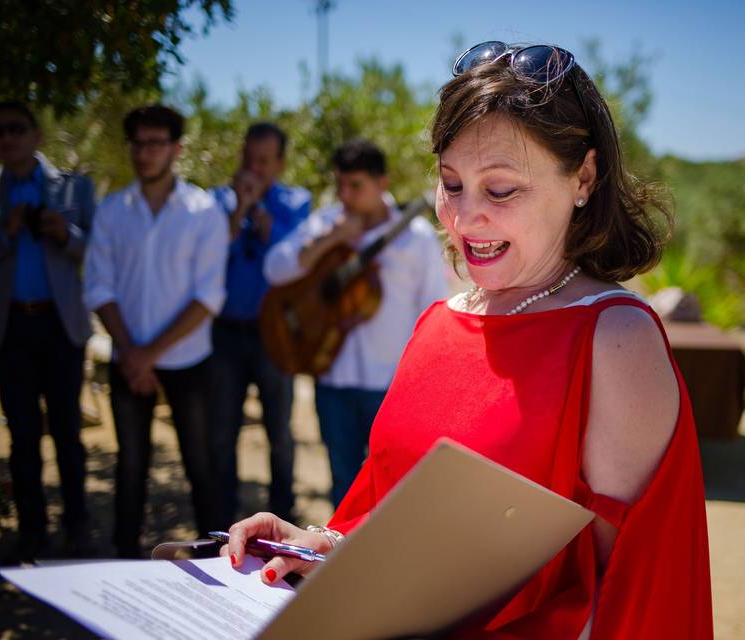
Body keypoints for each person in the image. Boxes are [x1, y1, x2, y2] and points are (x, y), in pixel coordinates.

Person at [227, 42, 713, 638]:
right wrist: (322, 543)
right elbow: (392, 515)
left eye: (501, 190)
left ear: (583, 177)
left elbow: (631, 595)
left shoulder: (613, 340)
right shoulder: (437, 320)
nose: (464, 218)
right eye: (451, 183)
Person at [263, 139, 448, 506]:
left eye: (356, 186)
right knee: (343, 488)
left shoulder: (417, 239)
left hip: (390, 387)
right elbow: (275, 269)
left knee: (395, 492)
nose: (345, 195)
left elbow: (432, 313)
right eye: (340, 185)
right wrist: (331, 239)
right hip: (333, 379)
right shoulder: (325, 222)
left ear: (382, 183)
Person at [83, 104, 228, 558]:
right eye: (139, 143)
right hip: (127, 359)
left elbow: (208, 297)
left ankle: (217, 560)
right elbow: (99, 285)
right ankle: (126, 558)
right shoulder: (112, 210)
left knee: (200, 465)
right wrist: (133, 353)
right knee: (130, 466)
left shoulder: (203, 210)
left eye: (156, 143)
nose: (146, 153)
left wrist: (148, 354)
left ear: (176, 148)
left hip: (187, 361)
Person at [0, 102, 94, 561]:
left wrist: (64, 234)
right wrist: (5, 231)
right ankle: (32, 531)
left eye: (16, 128)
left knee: (68, 433)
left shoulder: (73, 187)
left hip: (59, 326)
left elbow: (94, 249)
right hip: (9, 328)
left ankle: (78, 529)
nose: (7, 137)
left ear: (36, 135)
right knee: (23, 435)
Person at [209, 123, 310, 528]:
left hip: (275, 335)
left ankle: (283, 517)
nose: (254, 167)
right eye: (249, 158)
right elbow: (210, 254)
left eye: (264, 160)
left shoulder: (296, 202)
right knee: (221, 434)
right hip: (225, 333)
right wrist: (238, 211)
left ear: (280, 163)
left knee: (279, 432)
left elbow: (297, 258)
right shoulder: (216, 201)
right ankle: (219, 518)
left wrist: (261, 214)